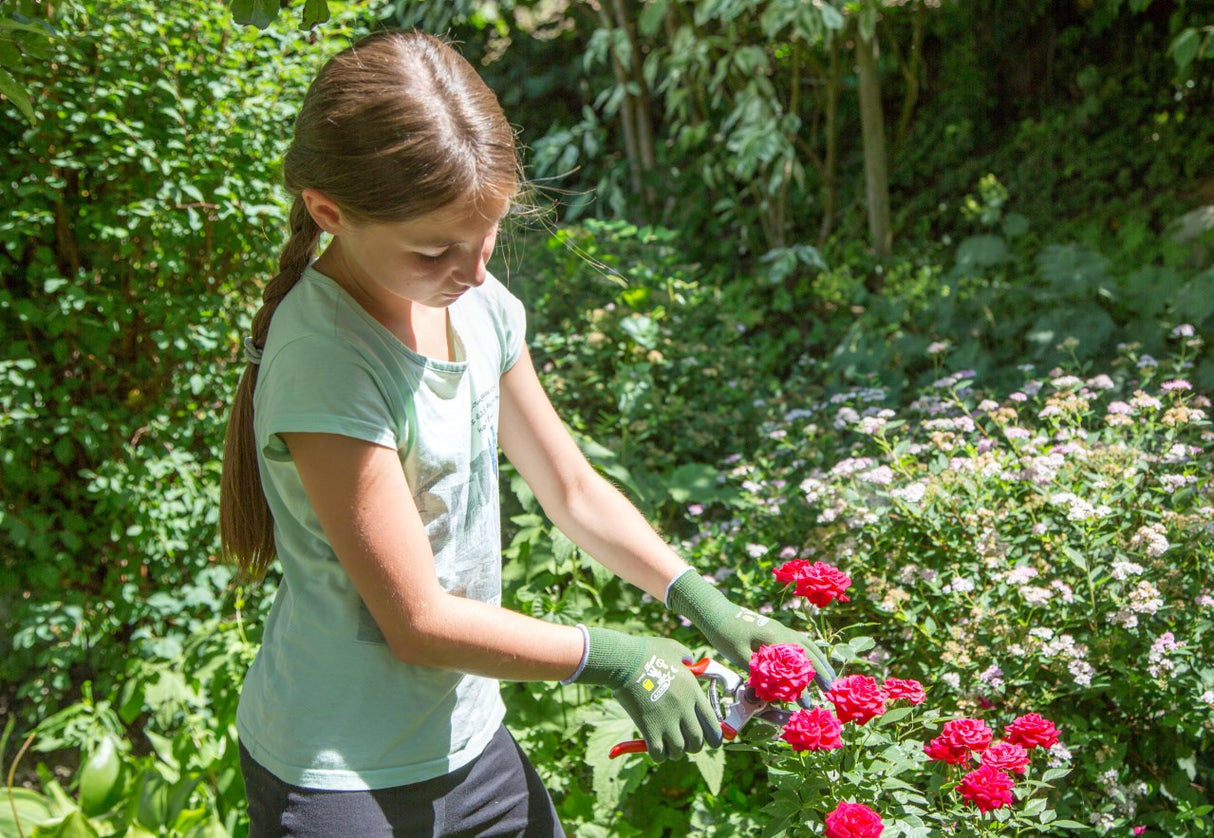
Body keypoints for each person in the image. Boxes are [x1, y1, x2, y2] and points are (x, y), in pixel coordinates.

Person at [218, 30, 835, 838]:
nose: (475, 273)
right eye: (436, 249)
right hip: (340, 779)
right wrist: (617, 655)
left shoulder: (473, 303)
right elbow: (417, 622)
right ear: (330, 213)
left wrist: (704, 602)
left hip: (469, 742)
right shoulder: (326, 360)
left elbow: (572, 490)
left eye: (488, 236)